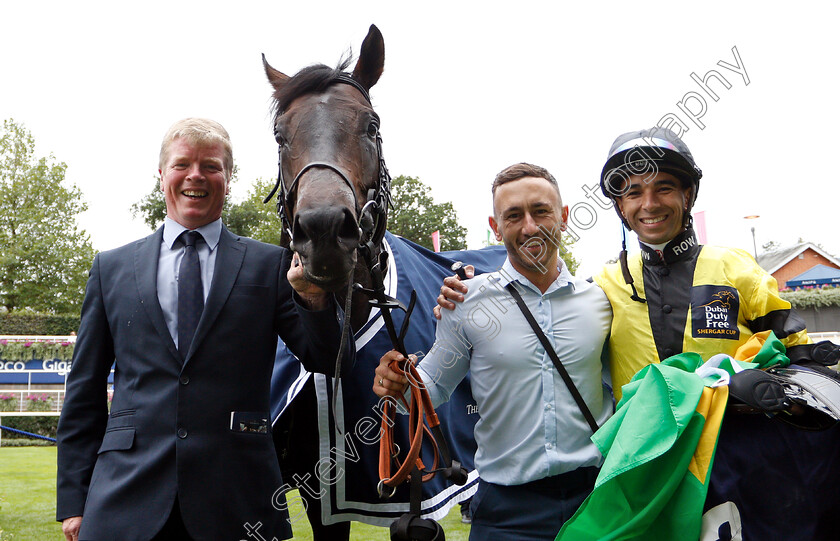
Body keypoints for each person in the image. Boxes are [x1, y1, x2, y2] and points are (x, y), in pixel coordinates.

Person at [438, 128, 840, 540]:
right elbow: (539, 311)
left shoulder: (738, 271)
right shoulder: (603, 287)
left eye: (663, 188)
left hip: (743, 480)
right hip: (641, 487)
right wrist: (470, 289)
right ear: (620, 206)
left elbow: (812, 370)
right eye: (632, 192)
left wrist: (768, 388)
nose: (649, 203)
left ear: (688, 195)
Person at [56, 118, 353, 541]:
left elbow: (331, 361)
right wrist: (73, 499)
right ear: (162, 176)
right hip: (123, 500)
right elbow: (83, 392)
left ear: (228, 180)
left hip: (238, 499)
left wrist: (315, 298)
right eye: (183, 164)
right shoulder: (111, 268)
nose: (196, 175)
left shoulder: (272, 265)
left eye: (211, 166)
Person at [375, 163, 613, 540]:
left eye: (541, 211)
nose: (529, 227)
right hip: (506, 513)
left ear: (564, 217)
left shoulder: (601, 300)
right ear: (497, 225)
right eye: (514, 216)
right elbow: (432, 387)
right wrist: (399, 383)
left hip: (596, 500)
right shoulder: (465, 302)